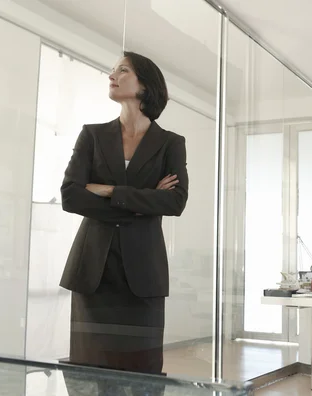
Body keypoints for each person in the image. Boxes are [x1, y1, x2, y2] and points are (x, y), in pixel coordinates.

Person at [58, 51, 188, 388]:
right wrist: (145, 199)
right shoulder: (92, 135)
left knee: (143, 375)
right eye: (113, 70)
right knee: (91, 374)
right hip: (92, 271)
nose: (112, 74)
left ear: (144, 85)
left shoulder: (170, 143)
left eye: (123, 70)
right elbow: (71, 195)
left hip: (143, 275)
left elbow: (175, 201)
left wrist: (110, 189)